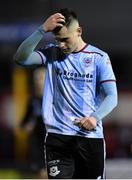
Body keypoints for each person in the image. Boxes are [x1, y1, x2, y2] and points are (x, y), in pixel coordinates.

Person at [14, 8, 118, 179]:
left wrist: (95, 117)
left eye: (65, 39)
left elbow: (112, 97)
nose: (61, 45)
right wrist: (41, 30)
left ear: (79, 31)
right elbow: (21, 58)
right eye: (57, 40)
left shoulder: (99, 58)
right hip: (58, 138)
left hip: (89, 138)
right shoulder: (52, 53)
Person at [20, 67, 47, 178]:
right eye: (36, 78)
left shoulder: (55, 98)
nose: (37, 81)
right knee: (40, 173)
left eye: (40, 78)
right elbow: (24, 122)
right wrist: (27, 126)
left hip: (52, 141)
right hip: (37, 143)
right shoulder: (32, 100)